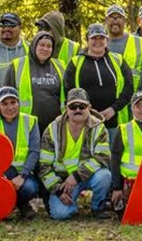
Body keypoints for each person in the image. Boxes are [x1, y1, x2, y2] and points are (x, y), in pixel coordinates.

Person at [40, 88, 113, 220]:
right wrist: (58, 190)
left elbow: (103, 157)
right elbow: (44, 166)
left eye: (82, 106)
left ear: (89, 107)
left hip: (86, 177)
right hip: (62, 182)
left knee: (104, 176)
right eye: (73, 106)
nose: (77, 110)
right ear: (66, 107)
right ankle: (69, 204)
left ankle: (98, 207)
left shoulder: (99, 128)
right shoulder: (52, 129)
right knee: (60, 214)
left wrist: (76, 176)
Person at [63, 23, 134, 138]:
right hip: (85, 122)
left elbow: (129, 88)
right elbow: (68, 91)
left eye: (101, 38)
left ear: (107, 40)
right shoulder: (75, 63)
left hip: (114, 122)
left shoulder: (118, 60)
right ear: (87, 40)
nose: (98, 41)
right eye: (94, 38)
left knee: (113, 155)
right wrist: (86, 112)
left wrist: (113, 109)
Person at [0, 86, 40, 218]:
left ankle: (21, 204)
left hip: (23, 174)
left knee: (30, 188)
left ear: (19, 103)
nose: (10, 107)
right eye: (5, 103)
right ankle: (3, 206)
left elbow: (34, 151)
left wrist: (22, 176)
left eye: (13, 102)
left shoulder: (31, 121)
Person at [2, 31, 66, 137]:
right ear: (34, 45)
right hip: (25, 124)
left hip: (55, 124)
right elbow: (5, 95)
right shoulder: (17, 65)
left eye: (49, 46)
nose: (45, 49)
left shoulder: (60, 66)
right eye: (42, 45)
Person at [104, 5, 142, 90]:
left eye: (119, 17)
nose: (115, 21)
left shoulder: (139, 42)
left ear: (124, 20)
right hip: (109, 97)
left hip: (134, 99)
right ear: (106, 21)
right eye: (111, 17)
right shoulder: (100, 44)